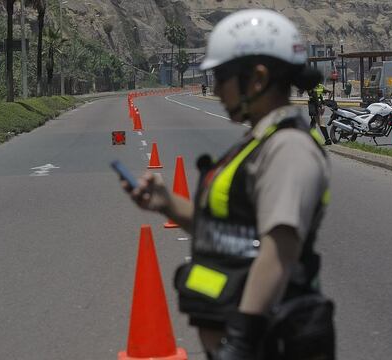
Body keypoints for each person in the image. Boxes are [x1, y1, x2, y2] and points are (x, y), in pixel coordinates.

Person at [119, 9, 335, 360]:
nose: (215, 88)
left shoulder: (289, 149)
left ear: (258, 78)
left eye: (222, 76)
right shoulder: (259, 142)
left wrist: (241, 340)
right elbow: (231, 233)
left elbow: (279, 251)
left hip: (270, 344)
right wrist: (166, 202)